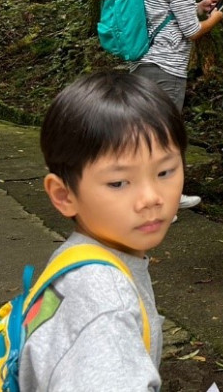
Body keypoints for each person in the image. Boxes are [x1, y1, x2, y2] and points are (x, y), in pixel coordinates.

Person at [22, 71, 186, 390]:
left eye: (164, 171)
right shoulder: (106, 307)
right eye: (118, 182)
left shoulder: (78, 259)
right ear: (64, 195)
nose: (151, 198)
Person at [133, 0, 223, 213]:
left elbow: (163, 14)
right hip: (167, 69)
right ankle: (165, 204)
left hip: (142, 64)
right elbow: (191, 32)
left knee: (146, 136)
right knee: (166, 137)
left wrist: (196, 8)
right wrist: (214, 19)